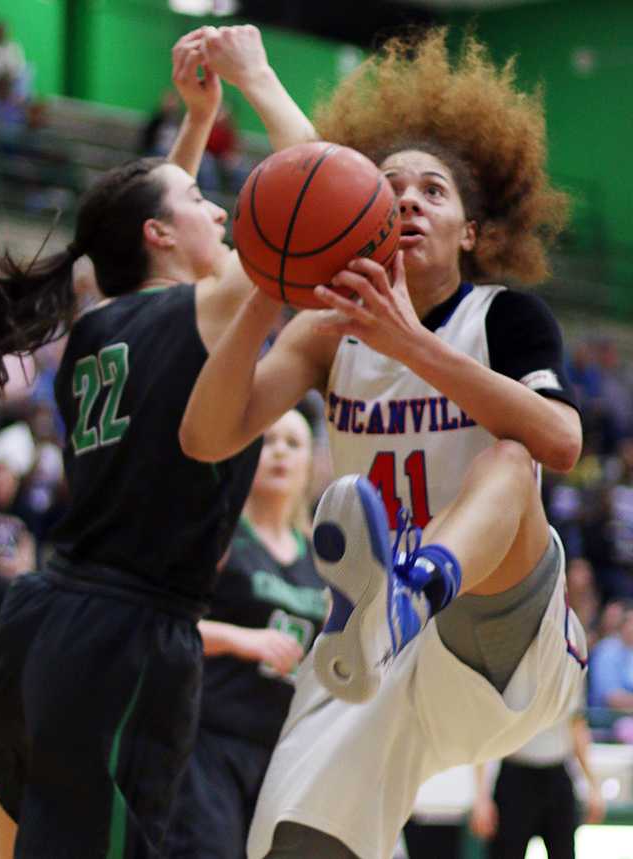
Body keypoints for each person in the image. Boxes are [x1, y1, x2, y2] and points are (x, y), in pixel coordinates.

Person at [0, 25, 314, 859]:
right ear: (159, 235)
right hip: (126, 633)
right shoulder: (198, 310)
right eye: (199, 202)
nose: (217, 205)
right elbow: (321, 197)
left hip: (48, 611)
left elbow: (142, 220)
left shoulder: (93, 320)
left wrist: (191, 123)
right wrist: (255, 80)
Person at [180, 27, 587, 859]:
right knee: (293, 843)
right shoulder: (331, 331)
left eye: (432, 191)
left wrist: (414, 347)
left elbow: (560, 440)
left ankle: (416, 585)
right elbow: (208, 433)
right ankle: (389, 603)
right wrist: (270, 279)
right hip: (362, 649)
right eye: (389, 186)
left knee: (507, 456)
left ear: (470, 232)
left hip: (495, 626)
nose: (406, 199)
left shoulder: (501, 316)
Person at [165, 409, 327, 858]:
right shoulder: (222, 537)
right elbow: (166, 625)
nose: (278, 451)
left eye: (293, 443)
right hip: (210, 742)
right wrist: (242, 639)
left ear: (310, 462)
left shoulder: (322, 557)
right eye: (267, 440)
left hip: (283, 753)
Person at [470, 708, 605, 859]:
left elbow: (577, 726)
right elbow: (485, 731)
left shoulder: (569, 685)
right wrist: (481, 797)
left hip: (557, 773)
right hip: (515, 775)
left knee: (562, 851)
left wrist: (593, 787)